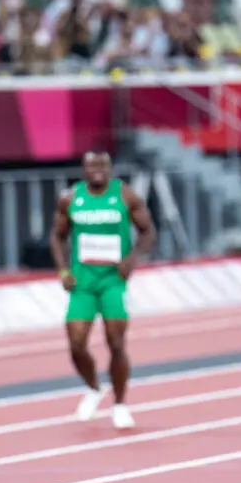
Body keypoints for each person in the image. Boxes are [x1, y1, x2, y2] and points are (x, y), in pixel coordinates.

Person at [50, 151, 156, 432]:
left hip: (112, 281)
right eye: (91, 165)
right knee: (76, 343)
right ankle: (94, 388)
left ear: (110, 168)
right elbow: (57, 236)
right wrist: (63, 270)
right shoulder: (71, 199)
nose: (97, 170)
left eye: (102, 165)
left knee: (116, 342)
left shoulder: (125, 196)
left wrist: (131, 260)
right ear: (83, 170)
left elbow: (147, 231)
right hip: (83, 282)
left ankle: (120, 404)